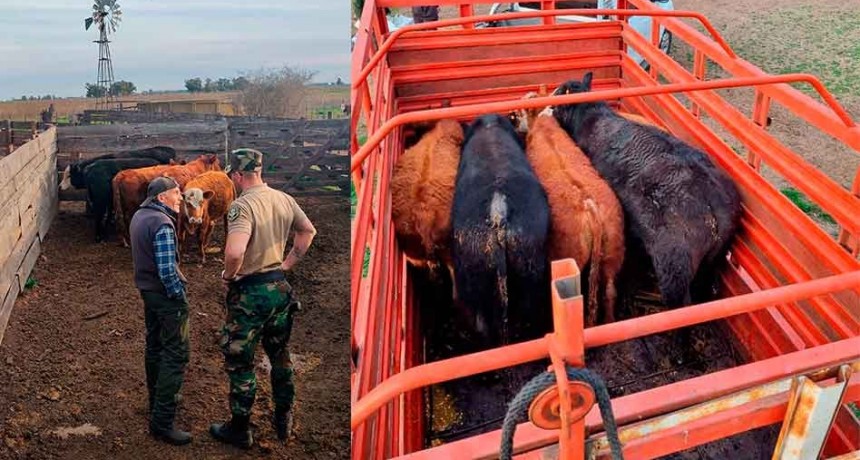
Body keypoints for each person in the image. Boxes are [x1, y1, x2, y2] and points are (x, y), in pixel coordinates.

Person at [209, 148, 317, 449]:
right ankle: (284, 420)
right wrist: (287, 264)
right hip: (279, 290)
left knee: (241, 362)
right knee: (280, 356)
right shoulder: (283, 199)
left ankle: (240, 429)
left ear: (238, 175)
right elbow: (307, 231)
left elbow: (234, 252)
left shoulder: (241, 207)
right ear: (260, 170)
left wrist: (229, 276)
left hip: (250, 295)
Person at [128, 176, 192, 446]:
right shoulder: (162, 223)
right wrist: (179, 296)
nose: (180, 197)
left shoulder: (139, 216)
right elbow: (167, 270)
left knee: (154, 346)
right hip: (165, 297)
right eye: (176, 193)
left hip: (147, 292)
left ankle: (155, 402)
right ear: (161, 197)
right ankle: (163, 422)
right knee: (175, 354)